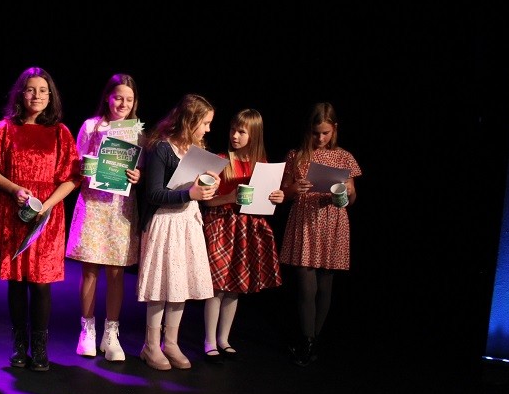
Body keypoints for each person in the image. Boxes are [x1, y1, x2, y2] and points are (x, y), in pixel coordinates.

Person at [0, 67, 79, 371]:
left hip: (47, 216)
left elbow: (72, 177)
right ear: (20, 94)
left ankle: (39, 347)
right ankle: (19, 345)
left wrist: (46, 205)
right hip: (13, 211)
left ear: (50, 96)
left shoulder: (61, 132)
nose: (36, 95)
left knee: (40, 284)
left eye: (42, 90)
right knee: (16, 282)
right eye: (30, 89)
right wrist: (15, 190)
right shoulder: (4, 129)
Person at [137, 93, 218, 371]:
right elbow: (153, 194)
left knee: (179, 284)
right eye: (204, 123)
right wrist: (189, 193)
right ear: (190, 121)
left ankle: (170, 342)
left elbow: (195, 190)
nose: (208, 129)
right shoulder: (161, 148)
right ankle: (150, 345)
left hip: (187, 221)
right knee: (160, 285)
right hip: (165, 222)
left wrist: (208, 187)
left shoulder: (197, 150)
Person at [66, 73, 142, 361]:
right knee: (90, 270)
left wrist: (137, 175)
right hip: (94, 203)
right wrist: (88, 169)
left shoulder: (137, 131)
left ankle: (111, 333)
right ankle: (87, 330)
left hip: (120, 206)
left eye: (129, 99)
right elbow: (77, 161)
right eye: (118, 97)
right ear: (108, 97)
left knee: (116, 272)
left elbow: (141, 168)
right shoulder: (91, 126)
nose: (123, 104)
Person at [279, 102, 361, 366]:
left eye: (325, 133)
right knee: (306, 285)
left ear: (334, 129)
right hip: (304, 221)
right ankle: (308, 340)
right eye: (316, 133)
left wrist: (348, 192)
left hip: (331, 222)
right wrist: (294, 189)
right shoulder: (296, 155)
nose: (321, 138)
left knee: (325, 284)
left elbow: (352, 198)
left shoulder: (344, 157)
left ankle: (313, 341)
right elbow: (283, 193)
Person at [201, 109, 284, 363]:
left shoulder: (262, 165)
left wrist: (276, 197)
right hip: (222, 225)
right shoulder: (220, 160)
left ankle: (224, 338)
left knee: (234, 287)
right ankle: (209, 340)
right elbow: (206, 200)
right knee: (217, 286)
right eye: (232, 130)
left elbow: (265, 200)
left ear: (254, 134)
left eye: (241, 132)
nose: (235, 136)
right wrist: (228, 197)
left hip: (246, 228)